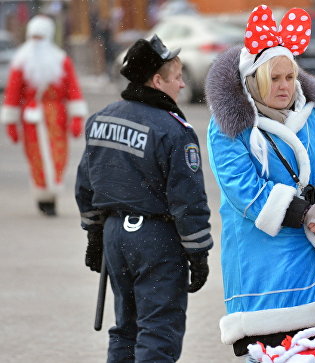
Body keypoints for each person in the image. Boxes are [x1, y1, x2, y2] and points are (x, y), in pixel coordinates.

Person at [204, 5, 315, 359]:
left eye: (289, 77)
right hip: (261, 259)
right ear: (255, 80)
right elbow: (243, 191)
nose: (284, 86)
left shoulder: (307, 117)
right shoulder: (229, 126)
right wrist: (305, 214)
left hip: (310, 253)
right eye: (274, 79)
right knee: (272, 350)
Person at [74, 34, 213, 362]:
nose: (181, 85)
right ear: (156, 81)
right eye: (176, 77)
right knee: (159, 331)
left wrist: (94, 235)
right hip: (156, 241)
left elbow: (86, 185)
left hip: (114, 236)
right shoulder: (174, 130)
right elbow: (187, 199)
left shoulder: (101, 119)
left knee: (126, 328)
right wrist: (198, 253)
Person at [0, 15, 88, 216]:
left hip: (57, 118)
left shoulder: (61, 60)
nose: (37, 42)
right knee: (36, 158)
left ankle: (52, 193)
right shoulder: (20, 62)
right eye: (34, 37)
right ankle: (43, 197)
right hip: (32, 119)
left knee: (59, 156)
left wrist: (76, 118)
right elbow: (12, 94)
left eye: (41, 37)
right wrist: (11, 122)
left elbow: (73, 89)